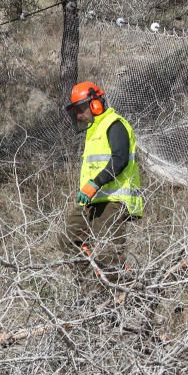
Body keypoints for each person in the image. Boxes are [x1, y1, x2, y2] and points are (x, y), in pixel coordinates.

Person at [60, 81, 143, 276]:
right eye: (76, 111)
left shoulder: (115, 124)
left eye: (81, 109)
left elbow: (120, 159)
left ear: (95, 103)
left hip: (114, 199)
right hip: (93, 199)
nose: (79, 115)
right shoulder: (93, 130)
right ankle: (90, 285)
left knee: (109, 254)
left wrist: (94, 184)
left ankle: (120, 293)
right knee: (68, 239)